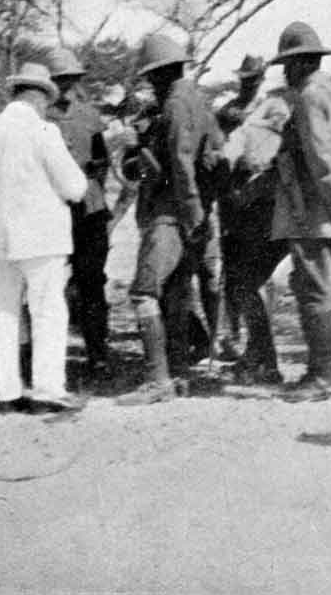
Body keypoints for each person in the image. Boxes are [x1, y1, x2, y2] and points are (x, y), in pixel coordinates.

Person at [0, 62, 89, 412]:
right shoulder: (44, 132)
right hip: (42, 236)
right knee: (48, 310)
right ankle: (48, 392)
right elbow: (75, 187)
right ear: (41, 98)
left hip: (0, 237)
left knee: (5, 312)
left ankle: (8, 392)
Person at [117, 34, 224, 406]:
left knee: (144, 292)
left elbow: (179, 164)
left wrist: (136, 148)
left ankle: (157, 380)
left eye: (152, 76)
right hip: (192, 212)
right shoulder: (199, 102)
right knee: (176, 295)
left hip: (170, 212)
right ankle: (178, 375)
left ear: (161, 72)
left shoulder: (176, 105)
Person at [268, 22, 331, 402]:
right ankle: (323, 371)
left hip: (311, 206)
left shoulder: (307, 97)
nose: (285, 72)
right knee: (317, 287)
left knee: (313, 290)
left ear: (300, 63)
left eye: (288, 64)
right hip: (328, 204)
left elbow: (322, 160)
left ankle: (322, 375)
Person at [44, 47, 113, 386]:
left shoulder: (89, 114)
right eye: (60, 80)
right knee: (47, 284)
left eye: (72, 79)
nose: (67, 86)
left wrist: (90, 188)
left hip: (88, 211)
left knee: (92, 282)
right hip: (52, 209)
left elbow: (102, 160)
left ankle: (98, 352)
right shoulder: (39, 117)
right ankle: (44, 357)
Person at [218, 90, 292, 385]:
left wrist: (234, 188)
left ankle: (266, 363)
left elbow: (223, 165)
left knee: (244, 289)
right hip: (286, 225)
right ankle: (257, 360)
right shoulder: (289, 139)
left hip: (253, 221)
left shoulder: (244, 133)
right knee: (255, 290)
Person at [214, 54, 270, 362]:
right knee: (233, 268)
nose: (250, 83)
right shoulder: (228, 111)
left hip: (262, 198)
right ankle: (232, 336)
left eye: (255, 78)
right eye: (245, 79)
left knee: (259, 273)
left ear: (263, 78)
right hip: (233, 198)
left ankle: (258, 342)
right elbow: (220, 153)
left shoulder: (272, 108)